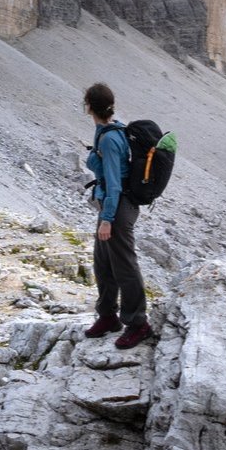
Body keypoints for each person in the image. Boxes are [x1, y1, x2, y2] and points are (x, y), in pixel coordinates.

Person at [82, 81, 150, 348]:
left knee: (124, 266)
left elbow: (113, 181)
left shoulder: (110, 139)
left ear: (88, 107)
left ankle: (138, 323)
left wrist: (108, 219)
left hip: (118, 208)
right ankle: (108, 316)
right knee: (103, 263)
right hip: (111, 206)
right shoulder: (108, 130)